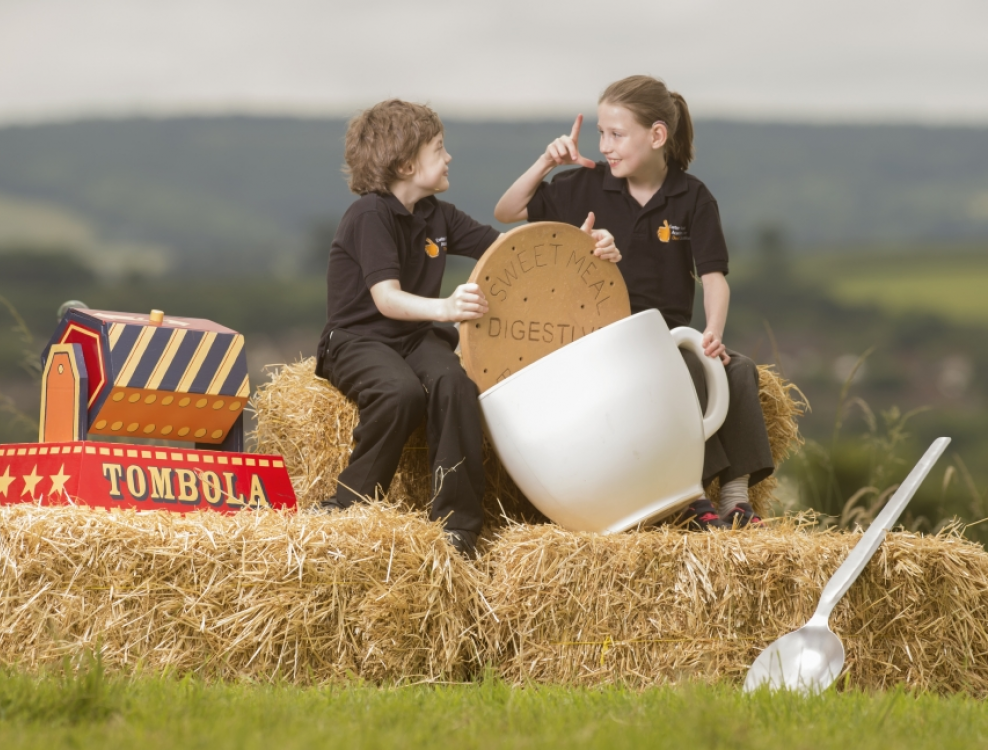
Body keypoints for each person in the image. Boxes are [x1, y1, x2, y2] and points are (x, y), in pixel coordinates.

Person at [317, 99, 619, 557]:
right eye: (439, 149)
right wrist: (448, 308)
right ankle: (349, 505)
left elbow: (511, 251)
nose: (449, 157)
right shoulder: (370, 215)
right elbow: (386, 299)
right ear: (404, 163)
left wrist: (586, 245)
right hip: (359, 339)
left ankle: (458, 526)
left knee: (456, 383)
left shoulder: (437, 215)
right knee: (401, 394)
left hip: (414, 339)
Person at [494, 75, 773, 530]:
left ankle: (735, 499)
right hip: (602, 337)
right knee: (674, 374)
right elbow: (507, 211)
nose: (605, 145)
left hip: (668, 332)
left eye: (616, 134)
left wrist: (713, 333)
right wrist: (547, 161)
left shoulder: (693, 198)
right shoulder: (582, 185)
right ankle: (690, 495)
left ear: (657, 135)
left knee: (735, 369)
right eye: (602, 133)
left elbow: (715, 280)